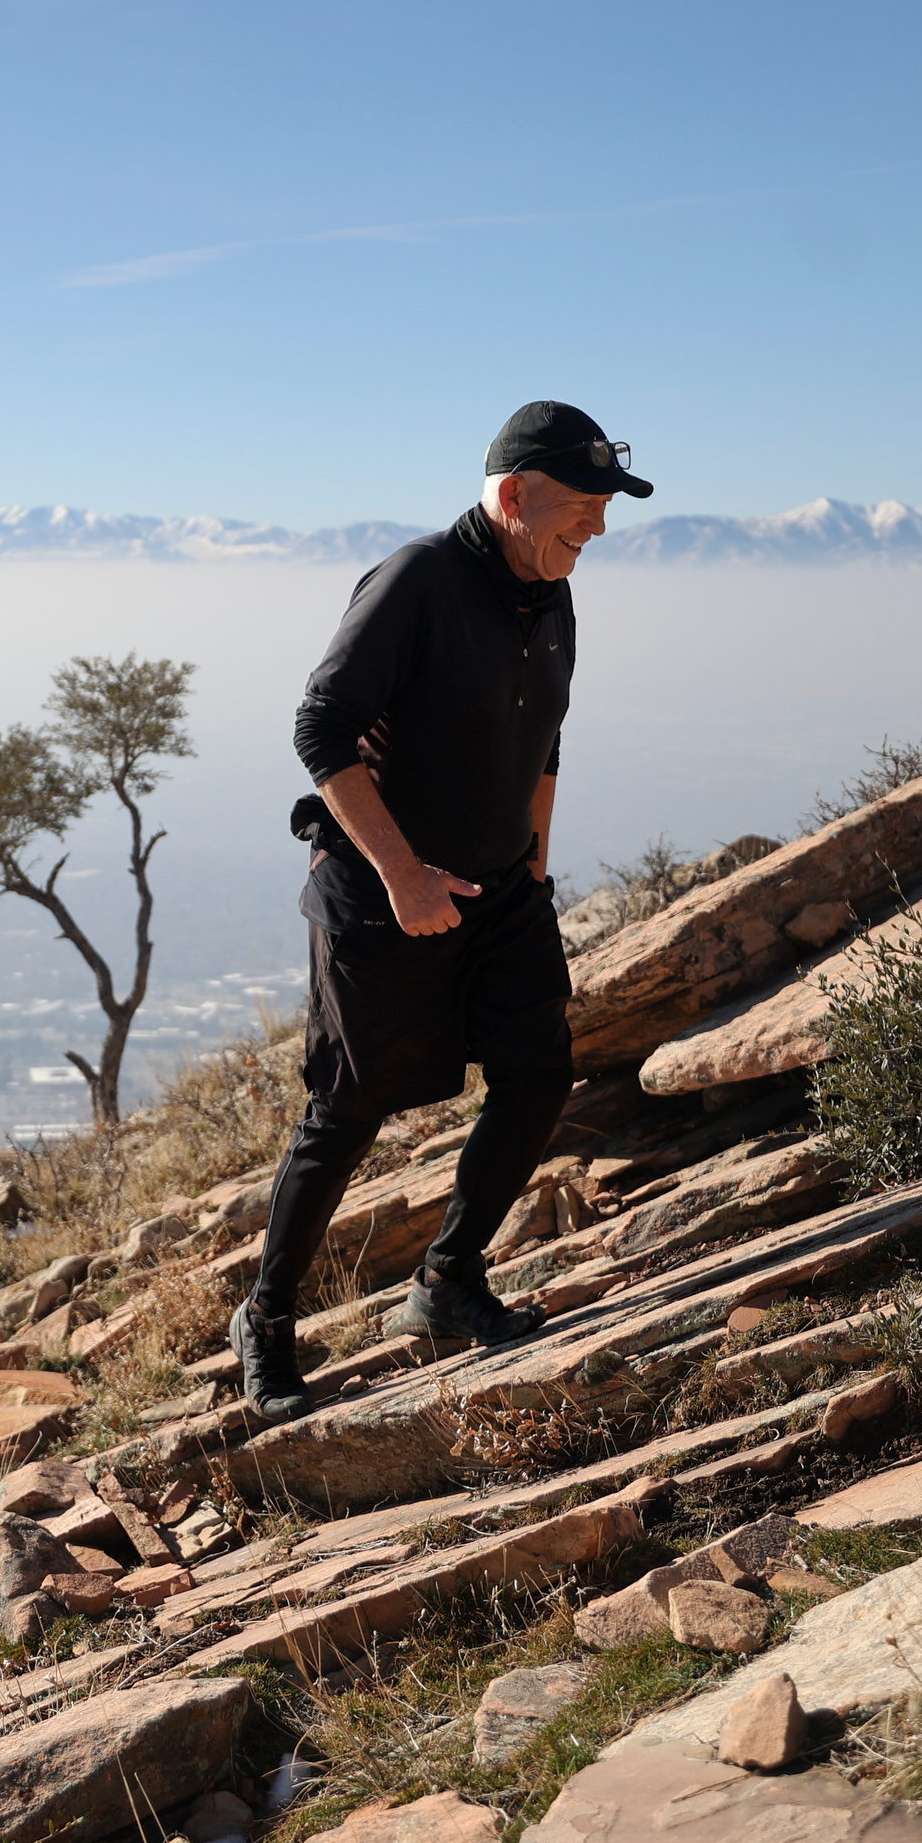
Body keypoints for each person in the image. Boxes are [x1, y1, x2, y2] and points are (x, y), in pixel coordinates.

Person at [229, 401, 652, 1423]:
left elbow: (543, 739)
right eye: (583, 507)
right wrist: (404, 875)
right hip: (384, 894)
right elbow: (319, 728)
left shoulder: (549, 592)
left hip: (505, 888)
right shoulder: (417, 581)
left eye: (605, 508)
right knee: (349, 1108)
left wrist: (537, 864)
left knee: (540, 1073)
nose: (596, 527)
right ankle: (267, 1318)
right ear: (513, 496)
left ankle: (448, 1282)